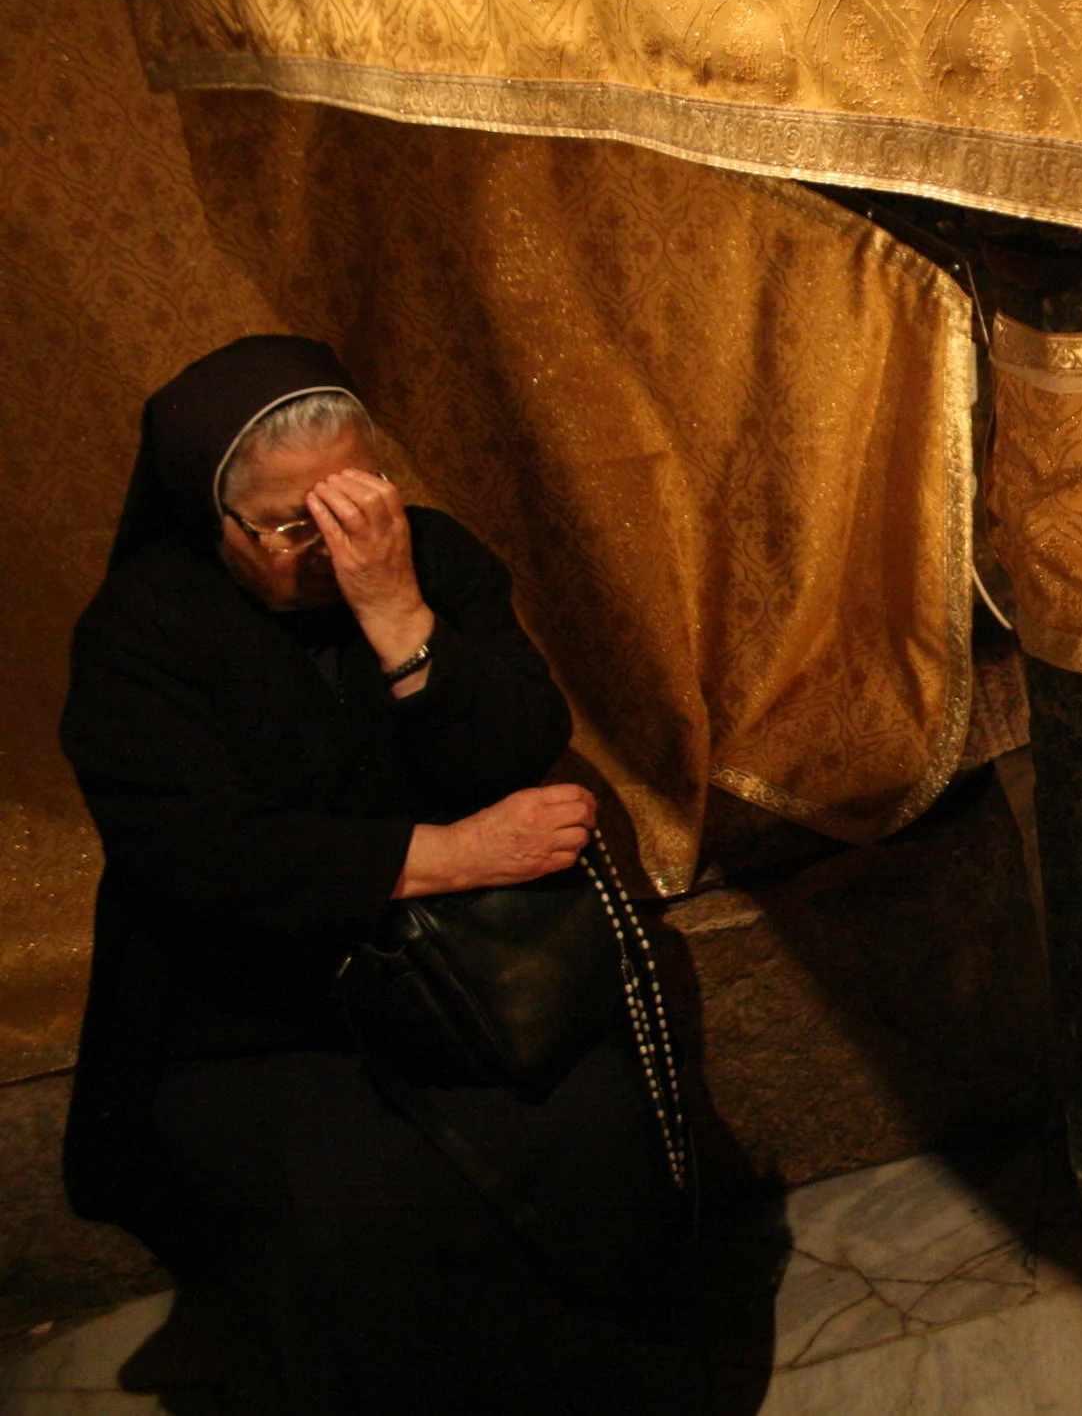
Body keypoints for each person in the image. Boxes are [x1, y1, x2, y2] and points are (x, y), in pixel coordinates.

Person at [60, 336, 707, 1414]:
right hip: (252, 1003)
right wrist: (443, 855)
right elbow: (197, 851)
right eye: (292, 526)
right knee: (361, 1209)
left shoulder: (425, 561)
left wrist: (398, 617)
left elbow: (516, 739)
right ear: (212, 518)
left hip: (465, 972)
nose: (335, 546)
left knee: (589, 1136)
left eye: (357, 503)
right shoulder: (141, 631)